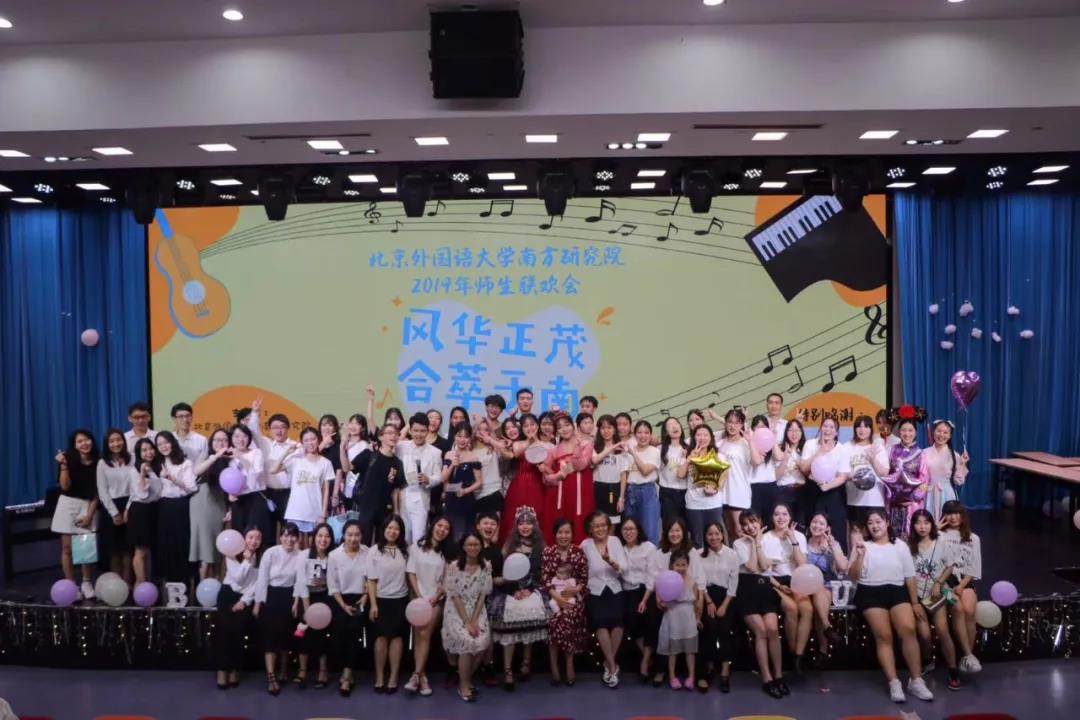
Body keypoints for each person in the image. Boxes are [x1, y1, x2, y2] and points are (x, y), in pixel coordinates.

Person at [850, 508, 933, 702]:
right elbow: (853, 577)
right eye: (870, 523)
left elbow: (910, 576)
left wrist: (914, 603)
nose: (875, 526)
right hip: (870, 592)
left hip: (897, 590)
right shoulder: (862, 546)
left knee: (908, 629)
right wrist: (860, 555)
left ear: (886, 523)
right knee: (884, 636)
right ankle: (894, 682)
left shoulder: (900, 546)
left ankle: (916, 680)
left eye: (878, 521)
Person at [490, 506, 547, 690]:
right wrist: (514, 591)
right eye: (521, 523)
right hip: (511, 590)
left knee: (531, 614)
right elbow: (505, 573)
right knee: (510, 620)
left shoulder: (540, 547)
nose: (525, 527)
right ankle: (507, 670)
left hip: (532, 589)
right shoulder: (508, 546)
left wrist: (530, 590)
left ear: (534, 525)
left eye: (528, 523)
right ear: (516, 526)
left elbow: (541, 574)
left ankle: (526, 663)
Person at [732, 510, 787, 698]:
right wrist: (754, 543)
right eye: (745, 524)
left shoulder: (770, 540)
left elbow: (764, 567)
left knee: (773, 629)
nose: (750, 527)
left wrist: (758, 543)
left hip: (765, 589)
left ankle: (779, 676)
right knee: (761, 631)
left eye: (753, 522)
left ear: (760, 521)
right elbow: (751, 567)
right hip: (746, 590)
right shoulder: (738, 543)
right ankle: (767, 678)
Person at [647, 517, 704, 686]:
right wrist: (659, 600)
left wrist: (700, 602)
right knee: (652, 618)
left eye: (678, 530)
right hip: (666, 600)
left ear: (684, 532)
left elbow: (699, 581)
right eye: (671, 530)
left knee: (702, 625)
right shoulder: (660, 553)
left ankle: (698, 675)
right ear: (666, 533)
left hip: (688, 600)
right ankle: (660, 669)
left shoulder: (692, 552)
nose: (674, 534)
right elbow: (655, 580)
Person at [908, 509, 961, 691]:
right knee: (924, 634)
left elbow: (950, 565)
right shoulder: (909, 546)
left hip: (936, 595)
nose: (922, 527)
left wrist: (939, 583)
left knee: (942, 630)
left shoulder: (941, 542)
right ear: (913, 526)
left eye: (926, 522)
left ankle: (953, 670)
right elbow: (908, 575)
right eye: (918, 523)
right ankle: (928, 660)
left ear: (931, 524)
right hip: (917, 596)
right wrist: (914, 601)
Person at [761, 503, 814, 673]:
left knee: (807, 609)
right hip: (774, 581)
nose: (781, 518)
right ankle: (792, 652)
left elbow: (802, 565)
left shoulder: (799, 536)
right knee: (791, 608)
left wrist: (793, 540)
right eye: (777, 514)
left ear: (790, 517)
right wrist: (779, 586)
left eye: (784, 514)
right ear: (772, 517)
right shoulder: (765, 538)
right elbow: (764, 571)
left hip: (796, 579)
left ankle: (799, 655)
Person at [443, 531, 494, 703]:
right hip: (456, 610)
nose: (473, 548)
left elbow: (482, 596)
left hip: (477, 610)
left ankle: (465, 677)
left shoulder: (486, 566)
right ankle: (464, 684)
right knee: (467, 640)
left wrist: (475, 620)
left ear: (481, 546)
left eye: (476, 544)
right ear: (463, 547)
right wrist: (466, 622)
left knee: (482, 640)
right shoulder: (454, 567)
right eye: (469, 544)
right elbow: (454, 596)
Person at [254, 522, 304, 695]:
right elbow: (262, 579)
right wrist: (258, 603)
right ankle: (271, 677)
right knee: (271, 637)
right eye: (286, 535)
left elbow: (300, 580)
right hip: (271, 595)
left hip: (289, 596)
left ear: (297, 538)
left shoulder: (300, 555)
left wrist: (296, 602)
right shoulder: (270, 553)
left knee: (286, 635)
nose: (289, 539)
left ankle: (283, 669)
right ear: (280, 537)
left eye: (293, 536)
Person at [405, 516, 453, 697]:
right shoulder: (416, 548)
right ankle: (422, 677)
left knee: (425, 634)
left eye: (446, 528)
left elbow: (447, 579)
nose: (442, 530)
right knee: (418, 636)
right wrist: (419, 596)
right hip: (417, 599)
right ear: (433, 526)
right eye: (440, 525)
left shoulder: (447, 553)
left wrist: (435, 597)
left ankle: (415, 675)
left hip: (435, 600)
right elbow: (411, 573)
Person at [580, 510, 628, 687]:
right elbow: (579, 568)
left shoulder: (615, 541)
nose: (600, 529)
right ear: (590, 528)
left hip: (614, 588)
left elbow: (624, 568)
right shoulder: (585, 545)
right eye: (596, 526)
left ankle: (608, 664)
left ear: (608, 527)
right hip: (595, 590)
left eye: (603, 525)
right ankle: (613, 666)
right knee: (600, 624)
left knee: (618, 623)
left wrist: (611, 562)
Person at [213, 526, 262, 690]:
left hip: (245, 598)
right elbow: (238, 579)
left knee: (239, 633)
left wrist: (245, 601)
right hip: (228, 594)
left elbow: (257, 584)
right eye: (250, 537)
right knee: (224, 634)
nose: (254, 541)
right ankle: (222, 671)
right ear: (244, 538)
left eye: (258, 538)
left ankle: (234, 670)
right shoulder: (232, 552)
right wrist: (247, 561)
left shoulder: (262, 557)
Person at [542, 518, 589, 686]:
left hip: (574, 597)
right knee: (555, 618)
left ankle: (569, 663)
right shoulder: (548, 552)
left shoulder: (578, 552)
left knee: (568, 616)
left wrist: (575, 590)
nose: (564, 536)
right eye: (560, 532)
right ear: (555, 534)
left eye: (567, 532)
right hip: (553, 597)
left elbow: (584, 579)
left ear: (572, 534)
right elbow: (546, 580)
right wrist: (558, 598)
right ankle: (554, 667)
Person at [53, 429, 99, 598]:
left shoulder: (99, 461)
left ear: (92, 441)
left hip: (88, 505)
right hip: (68, 504)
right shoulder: (68, 459)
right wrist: (64, 465)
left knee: (85, 547)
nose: (84, 443)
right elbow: (65, 486)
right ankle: (71, 585)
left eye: (87, 439)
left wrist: (89, 515)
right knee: (67, 548)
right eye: (80, 441)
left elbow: (98, 492)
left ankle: (87, 582)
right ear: (74, 445)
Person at [367, 514, 410, 693]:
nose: (392, 531)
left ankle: (393, 677)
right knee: (381, 638)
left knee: (397, 638)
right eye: (389, 528)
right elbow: (371, 580)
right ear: (383, 529)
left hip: (401, 599)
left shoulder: (406, 550)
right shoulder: (374, 551)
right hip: (381, 600)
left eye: (396, 529)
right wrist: (373, 604)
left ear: (401, 532)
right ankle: (379, 677)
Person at [939, 500, 983, 674]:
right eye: (949, 513)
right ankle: (968, 655)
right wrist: (936, 530)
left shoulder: (973, 538)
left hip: (964, 580)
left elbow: (974, 566)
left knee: (970, 611)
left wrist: (962, 585)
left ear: (963, 516)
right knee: (959, 610)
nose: (953, 517)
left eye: (957, 513)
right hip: (943, 582)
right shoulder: (939, 535)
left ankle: (967, 657)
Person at [328, 519, 369, 696]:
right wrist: (343, 605)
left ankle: (346, 675)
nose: (353, 538)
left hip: (361, 599)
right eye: (350, 534)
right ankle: (347, 671)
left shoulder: (368, 552)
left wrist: (366, 596)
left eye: (357, 535)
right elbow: (332, 585)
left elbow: (371, 578)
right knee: (339, 638)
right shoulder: (334, 556)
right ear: (343, 535)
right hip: (340, 600)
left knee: (354, 636)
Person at [695, 522, 738, 693]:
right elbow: (699, 580)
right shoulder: (699, 554)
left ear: (722, 534)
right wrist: (708, 601)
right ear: (705, 536)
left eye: (716, 533)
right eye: (710, 534)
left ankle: (725, 673)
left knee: (725, 631)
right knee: (708, 631)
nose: (713, 537)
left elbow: (734, 583)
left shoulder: (731, 554)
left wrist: (724, 606)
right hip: (706, 596)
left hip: (726, 597)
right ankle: (708, 668)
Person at [542, 413, 596, 543]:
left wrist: (577, 448)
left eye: (567, 425)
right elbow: (545, 478)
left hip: (582, 491)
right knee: (562, 523)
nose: (564, 429)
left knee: (582, 521)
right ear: (557, 431)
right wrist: (558, 475)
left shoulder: (585, 444)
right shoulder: (554, 450)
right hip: (562, 493)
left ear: (573, 426)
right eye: (560, 427)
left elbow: (580, 466)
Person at [273, 427, 335, 539]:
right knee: (294, 544)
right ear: (302, 443)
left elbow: (326, 491)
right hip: (295, 512)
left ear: (318, 440)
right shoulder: (296, 459)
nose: (310, 443)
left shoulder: (326, 463)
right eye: (306, 440)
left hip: (315, 513)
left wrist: (323, 514)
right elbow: (273, 470)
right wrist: (287, 452)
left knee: (312, 545)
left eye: (313, 439)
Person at [247, 399, 297, 536]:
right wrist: (255, 412)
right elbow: (253, 430)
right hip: (268, 494)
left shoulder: (296, 446)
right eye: (275, 427)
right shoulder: (265, 444)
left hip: (289, 494)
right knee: (267, 530)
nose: (279, 431)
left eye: (282, 427)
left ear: (288, 429)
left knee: (289, 532)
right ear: (269, 430)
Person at [837, 415, 891, 543]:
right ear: (854, 429)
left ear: (871, 429)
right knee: (856, 532)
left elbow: (884, 472)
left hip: (875, 499)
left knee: (876, 534)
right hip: (854, 500)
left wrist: (872, 459)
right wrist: (852, 476)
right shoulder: (847, 447)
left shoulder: (877, 447)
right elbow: (841, 473)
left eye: (866, 426)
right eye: (859, 427)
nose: (862, 430)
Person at [350, 422, 406, 544]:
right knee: (363, 544)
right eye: (390, 433)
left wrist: (396, 513)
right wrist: (342, 448)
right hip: (366, 507)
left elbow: (396, 490)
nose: (393, 436)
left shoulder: (398, 463)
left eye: (396, 434)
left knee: (382, 545)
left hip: (385, 510)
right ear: (380, 437)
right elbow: (347, 468)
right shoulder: (369, 454)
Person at [154, 431, 197, 587]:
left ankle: (184, 581)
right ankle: (169, 583)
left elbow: (191, 488)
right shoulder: (157, 463)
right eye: (159, 444)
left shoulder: (185, 463)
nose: (163, 446)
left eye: (166, 442)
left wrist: (172, 478)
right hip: (163, 506)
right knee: (166, 544)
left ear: (173, 443)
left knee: (182, 543)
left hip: (180, 506)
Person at [295, 522, 334, 688]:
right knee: (303, 633)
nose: (323, 539)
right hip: (307, 598)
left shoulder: (333, 556)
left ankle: (323, 672)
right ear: (313, 537)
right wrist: (307, 609)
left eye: (327, 536)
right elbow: (301, 581)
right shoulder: (304, 555)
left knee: (322, 635)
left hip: (325, 598)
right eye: (320, 535)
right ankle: (302, 670)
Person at [799, 417, 848, 552]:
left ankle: (838, 561)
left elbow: (843, 476)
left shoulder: (842, 449)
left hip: (834, 491)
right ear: (820, 428)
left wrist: (827, 486)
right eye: (825, 426)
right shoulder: (810, 444)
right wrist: (818, 453)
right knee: (813, 527)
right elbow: (803, 469)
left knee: (836, 529)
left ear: (836, 432)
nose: (828, 430)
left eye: (832, 427)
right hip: (812, 490)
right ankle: (810, 557)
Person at [803, 513, 846, 664]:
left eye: (822, 523)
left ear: (827, 528)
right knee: (817, 593)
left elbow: (843, 567)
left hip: (829, 585)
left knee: (819, 600)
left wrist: (832, 547)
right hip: (806, 584)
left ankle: (823, 645)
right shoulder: (803, 542)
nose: (817, 526)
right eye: (814, 522)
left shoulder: (833, 544)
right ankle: (825, 641)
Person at [395, 413, 444, 545]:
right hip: (402, 497)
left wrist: (429, 480)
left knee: (419, 538)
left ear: (427, 431)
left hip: (421, 499)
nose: (419, 434)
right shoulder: (401, 446)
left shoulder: (435, 452)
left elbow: (439, 476)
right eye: (415, 430)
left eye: (422, 431)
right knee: (402, 537)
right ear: (410, 430)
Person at [500, 413, 549, 544]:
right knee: (514, 518)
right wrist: (530, 441)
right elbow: (516, 454)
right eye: (526, 426)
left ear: (538, 426)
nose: (530, 428)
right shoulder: (518, 444)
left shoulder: (546, 445)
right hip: (519, 485)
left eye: (532, 424)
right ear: (522, 429)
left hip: (538, 485)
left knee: (539, 515)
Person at [657, 550, 702, 691]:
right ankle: (672, 676)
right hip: (673, 617)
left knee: (690, 650)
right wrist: (662, 603)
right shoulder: (666, 580)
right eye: (678, 565)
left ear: (688, 565)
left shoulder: (692, 580)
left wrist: (697, 618)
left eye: (684, 565)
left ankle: (691, 677)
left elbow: (696, 603)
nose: (681, 568)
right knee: (673, 650)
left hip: (688, 618)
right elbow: (661, 599)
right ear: (672, 565)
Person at [619, 517, 657, 682]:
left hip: (646, 590)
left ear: (638, 530)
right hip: (626, 590)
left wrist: (644, 600)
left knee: (650, 620)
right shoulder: (619, 549)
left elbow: (652, 575)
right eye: (625, 529)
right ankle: (647, 657)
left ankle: (644, 662)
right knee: (630, 621)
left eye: (631, 529)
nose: (628, 532)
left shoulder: (648, 548)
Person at [190, 429, 231, 579]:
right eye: (217, 440)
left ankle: (218, 583)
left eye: (224, 440)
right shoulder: (206, 455)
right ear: (211, 442)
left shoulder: (231, 459)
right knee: (205, 547)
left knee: (218, 548)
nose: (221, 443)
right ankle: (203, 584)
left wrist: (230, 509)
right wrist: (216, 456)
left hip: (221, 504)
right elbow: (196, 471)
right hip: (203, 503)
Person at [882, 419, 930, 540]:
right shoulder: (891, 450)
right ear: (899, 432)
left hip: (912, 503)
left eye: (910, 430)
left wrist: (911, 497)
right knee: (892, 535)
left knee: (911, 535)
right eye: (904, 430)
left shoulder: (920, 453)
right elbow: (886, 474)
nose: (907, 434)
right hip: (893, 502)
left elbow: (924, 480)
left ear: (916, 432)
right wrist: (893, 495)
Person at [226, 424, 273, 544]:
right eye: (236, 436)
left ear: (249, 438)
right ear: (231, 438)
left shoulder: (256, 453)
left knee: (257, 535)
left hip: (256, 498)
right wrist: (230, 493)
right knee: (239, 534)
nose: (240, 440)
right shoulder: (229, 457)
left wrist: (241, 457)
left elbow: (254, 475)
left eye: (244, 436)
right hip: (238, 500)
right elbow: (227, 479)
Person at [716, 409, 757, 542]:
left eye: (736, 423)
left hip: (739, 494)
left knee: (740, 531)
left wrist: (750, 442)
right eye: (729, 422)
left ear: (741, 425)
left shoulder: (746, 443)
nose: (732, 426)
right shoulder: (720, 443)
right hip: (722, 495)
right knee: (729, 532)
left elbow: (756, 462)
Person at [96, 428, 132, 581]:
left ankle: (128, 583)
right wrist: (114, 513)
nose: (116, 444)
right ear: (107, 444)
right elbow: (102, 491)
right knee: (114, 551)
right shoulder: (102, 463)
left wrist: (128, 509)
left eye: (118, 440)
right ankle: (116, 585)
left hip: (130, 505)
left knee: (128, 550)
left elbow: (135, 487)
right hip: (111, 508)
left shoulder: (132, 459)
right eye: (111, 441)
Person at [126, 438, 161, 586]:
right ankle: (141, 583)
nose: (149, 452)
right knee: (140, 550)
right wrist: (142, 474)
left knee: (149, 550)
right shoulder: (134, 470)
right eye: (144, 450)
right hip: (141, 511)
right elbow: (141, 494)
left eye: (151, 448)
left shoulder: (157, 467)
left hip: (154, 509)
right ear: (138, 453)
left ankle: (147, 583)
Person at [684, 425, 725, 548]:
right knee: (697, 541)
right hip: (694, 505)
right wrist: (690, 459)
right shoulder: (688, 455)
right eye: (698, 435)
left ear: (711, 438)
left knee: (715, 540)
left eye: (705, 435)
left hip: (713, 504)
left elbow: (723, 478)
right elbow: (680, 474)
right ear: (694, 437)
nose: (702, 438)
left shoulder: (719, 456)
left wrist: (715, 490)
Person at [441, 424, 484, 540]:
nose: (462, 440)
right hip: (450, 499)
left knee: (464, 533)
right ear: (454, 436)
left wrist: (465, 491)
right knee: (449, 531)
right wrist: (452, 465)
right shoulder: (449, 454)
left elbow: (479, 482)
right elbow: (443, 478)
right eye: (459, 436)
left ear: (470, 438)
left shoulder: (473, 457)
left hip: (466, 500)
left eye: (466, 437)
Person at [625, 420, 661, 545]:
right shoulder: (627, 452)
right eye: (639, 432)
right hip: (630, 491)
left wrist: (633, 453)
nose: (643, 436)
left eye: (646, 433)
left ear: (651, 435)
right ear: (634, 435)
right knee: (631, 531)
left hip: (647, 491)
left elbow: (645, 471)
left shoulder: (654, 451)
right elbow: (625, 474)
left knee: (649, 532)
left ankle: (652, 557)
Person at [925, 420, 969, 520]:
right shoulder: (924, 453)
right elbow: (921, 478)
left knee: (948, 522)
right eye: (939, 431)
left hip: (947, 493)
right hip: (928, 493)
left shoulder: (954, 455)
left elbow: (958, 481)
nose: (941, 435)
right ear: (933, 432)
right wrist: (924, 490)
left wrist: (962, 463)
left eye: (945, 432)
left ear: (950, 436)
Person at [592, 414, 630, 529]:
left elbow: (623, 475)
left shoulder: (621, 449)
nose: (606, 431)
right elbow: (594, 461)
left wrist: (621, 498)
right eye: (603, 428)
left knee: (612, 524)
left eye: (609, 427)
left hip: (613, 489)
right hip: (598, 488)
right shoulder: (595, 447)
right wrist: (611, 448)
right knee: (598, 524)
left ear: (614, 429)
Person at [771, 419, 807, 526]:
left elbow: (809, 474)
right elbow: (776, 477)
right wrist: (786, 458)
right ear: (786, 432)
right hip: (783, 491)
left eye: (797, 430)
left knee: (800, 525)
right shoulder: (779, 450)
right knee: (783, 525)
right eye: (790, 430)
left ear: (802, 432)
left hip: (802, 491)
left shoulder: (806, 449)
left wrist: (797, 459)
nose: (794, 434)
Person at [335, 413, 371, 514]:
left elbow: (350, 467)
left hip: (355, 484)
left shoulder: (364, 445)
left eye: (357, 424)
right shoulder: (342, 442)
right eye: (352, 423)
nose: (353, 426)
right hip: (339, 483)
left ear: (363, 428)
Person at [658, 417, 690, 526]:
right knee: (669, 526)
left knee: (685, 526)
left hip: (685, 492)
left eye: (676, 423)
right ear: (666, 432)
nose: (674, 426)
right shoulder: (660, 449)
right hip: (667, 493)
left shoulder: (688, 448)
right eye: (670, 425)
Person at [472, 419, 505, 523]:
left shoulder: (494, 447)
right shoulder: (470, 450)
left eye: (486, 430)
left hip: (494, 492)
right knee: (479, 528)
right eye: (479, 429)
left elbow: (506, 451)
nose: (482, 432)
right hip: (476, 495)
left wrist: (491, 439)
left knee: (494, 528)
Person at [748, 414, 779, 522]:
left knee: (771, 519)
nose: (761, 430)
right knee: (755, 519)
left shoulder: (769, 442)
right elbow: (756, 461)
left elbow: (779, 456)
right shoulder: (748, 443)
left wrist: (773, 438)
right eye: (758, 427)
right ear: (753, 429)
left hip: (771, 485)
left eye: (764, 427)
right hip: (755, 486)